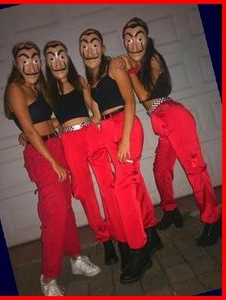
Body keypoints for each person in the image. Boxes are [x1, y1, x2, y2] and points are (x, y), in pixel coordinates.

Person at [4, 41, 101, 296]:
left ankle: (76, 259)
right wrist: (52, 160)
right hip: (42, 155)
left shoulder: (40, 88)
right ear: (16, 63)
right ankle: (48, 277)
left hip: (56, 146)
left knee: (65, 211)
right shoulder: (15, 89)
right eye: (25, 59)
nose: (32, 64)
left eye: (35, 59)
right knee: (54, 216)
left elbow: (49, 120)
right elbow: (28, 128)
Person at [120, 17, 221, 247]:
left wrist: (131, 71)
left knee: (195, 169)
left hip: (174, 116)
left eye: (139, 37)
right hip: (160, 120)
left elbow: (145, 96)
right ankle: (171, 211)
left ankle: (214, 219)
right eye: (128, 39)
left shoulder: (152, 59)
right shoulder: (135, 65)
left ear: (147, 39)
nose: (134, 44)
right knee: (161, 169)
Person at [79, 28, 162, 284]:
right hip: (107, 129)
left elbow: (129, 101)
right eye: (85, 45)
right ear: (81, 50)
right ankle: (152, 234)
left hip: (125, 126)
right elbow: (95, 116)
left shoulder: (114, 67)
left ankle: (139, 250)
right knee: (133, 181)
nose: (90, 48)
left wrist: (125, 138)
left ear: (102, 47)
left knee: (122, 186)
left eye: (95, 43)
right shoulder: (89, 79)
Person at [43, 40, 124, 266]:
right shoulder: (47, 89)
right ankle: (105, 240)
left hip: (90, 134)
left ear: (67, 57)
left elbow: (91, 105)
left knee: (108, 185)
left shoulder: (79, 80)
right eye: (51, 57)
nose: (57, 60)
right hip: (69, 142)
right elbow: (47, 117)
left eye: (61, 54)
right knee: (86, 194)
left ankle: (120, 234)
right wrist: (34, 131)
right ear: (47, 63)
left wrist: (97, 119)